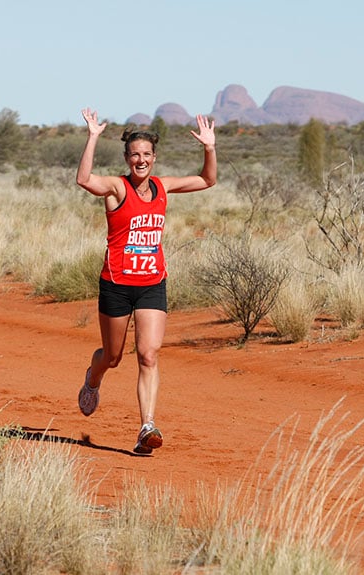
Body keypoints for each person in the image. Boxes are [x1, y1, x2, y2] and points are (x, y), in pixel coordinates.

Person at [75, 108, 217, 454]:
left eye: (147, 155)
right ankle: (93, 379)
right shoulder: (116, 188)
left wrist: (209, 148)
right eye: (135, 154)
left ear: (154, 158)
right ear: (127, 157)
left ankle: (147, 426)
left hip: (152, 282)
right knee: (112, 356)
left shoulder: (163, 186)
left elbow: (207, 180)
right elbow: (84, 179)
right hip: (117, 284)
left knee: (149, 355)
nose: (141, 160)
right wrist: (93, 137)